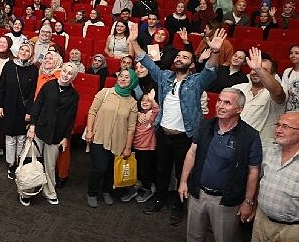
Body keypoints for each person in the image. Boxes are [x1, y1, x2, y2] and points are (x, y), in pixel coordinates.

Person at [128, 24, 226, 225]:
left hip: (186, 137)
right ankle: (160, 199)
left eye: (185, 57)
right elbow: (145, 60)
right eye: (178, 56)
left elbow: (210, 69)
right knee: (162, 170)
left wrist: (215, 51)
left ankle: (179, 206)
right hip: (163, 134)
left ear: (191, 64)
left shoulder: (197, 81)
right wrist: (133, 41)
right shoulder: (164, 77)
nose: (179, 59)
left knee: (183, 172)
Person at [178, 88, 262, 242]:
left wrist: (248, 201)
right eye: (219, 101)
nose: (220, 106)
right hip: (197, 194)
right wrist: (183, 182)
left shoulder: (250, 136)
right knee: (193, 240)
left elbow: (254, 171)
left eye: (227, 103)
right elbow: (191, 153)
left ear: (239, 109)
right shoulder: (205, 125)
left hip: (225, 201)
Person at [22, 63, 79, 206]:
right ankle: (26, 192)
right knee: (31, 163)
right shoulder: (48, 86)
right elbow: (37, 106)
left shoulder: (74, 96)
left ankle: (49, 192)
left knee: (50, 166)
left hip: (56, 136)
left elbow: (71, 118)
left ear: (74, 77)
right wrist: (32, 126)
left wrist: (66, 137)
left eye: (70, 73)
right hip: (39, 131)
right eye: (64, 71)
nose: (66, 74)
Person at [84, 68, 139, 208]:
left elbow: (131, 128)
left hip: (118, 142)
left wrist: (127, 147)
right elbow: (92, 111)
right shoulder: (105, 92)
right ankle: (92, 193)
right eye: (121, 76)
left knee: (111, 170)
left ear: (132, 81)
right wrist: (89, 131)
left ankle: (106, 191)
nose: (123, 79)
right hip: (99, 137)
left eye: (127, 77)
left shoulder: (132, 103)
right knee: (100, 168)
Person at [249, 112, 299, 242]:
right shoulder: (269, 152)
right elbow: (260, 181)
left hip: (292, 231)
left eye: (285, 126)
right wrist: (252, 204)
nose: (278, 130)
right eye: (277, 125)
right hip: (261, 222)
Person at [0, 41, 38, 180]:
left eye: (27, 51)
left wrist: (29, 111)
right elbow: (1, 86)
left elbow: (32, 93)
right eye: (22, 49)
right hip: (8, 106)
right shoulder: (9, 65)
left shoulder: (33, 69)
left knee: (21, 138)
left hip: (23, 109)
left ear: (31, 55)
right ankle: (11, 164)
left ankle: (19, 163)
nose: (24, 52)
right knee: (10, 138)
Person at [232, 48, 287, 149]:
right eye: (253, 69)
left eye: (263, 70)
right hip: (232, 144)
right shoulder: (238, 88)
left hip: (260, 148)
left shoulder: (277, 91)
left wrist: (259, 69)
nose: (256, 72)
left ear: (273, 75)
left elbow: (278, 92)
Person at [282, 45, 299, 112]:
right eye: (291, 53)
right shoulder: (287, 71)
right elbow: (284, 92)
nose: (293, 55)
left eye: (297, 53)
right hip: (290, 111)